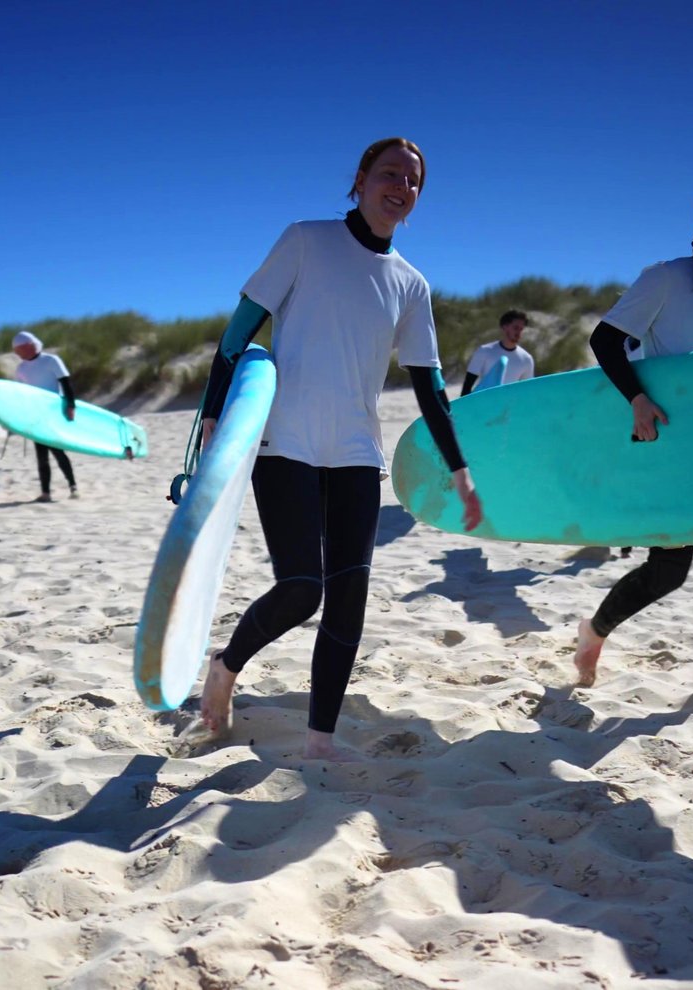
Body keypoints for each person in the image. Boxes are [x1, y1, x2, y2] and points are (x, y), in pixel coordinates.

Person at [194, 137, 484, 761]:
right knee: (303, 588)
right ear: (359, 180)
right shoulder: (305, 240)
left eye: (413, 182)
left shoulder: (411, 284)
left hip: (356, 452)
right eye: (389, 174)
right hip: (285, 443)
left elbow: (429, 385)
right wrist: (214, 415)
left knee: (348, 598)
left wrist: (459, 467)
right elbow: (237, 333)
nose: (400, 188)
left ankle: (319, 739)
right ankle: (226, 664)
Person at [573, 182, 693, 708]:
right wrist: (636, 398)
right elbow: (605, 340)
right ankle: (593, 631)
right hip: (676, 449)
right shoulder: (664, 278)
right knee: (669, 570)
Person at [12, 331, 78, 502]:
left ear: (31, 345)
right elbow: (21, 394)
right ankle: (45, 492)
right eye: (16, 350)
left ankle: (72, 485)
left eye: (19, 349)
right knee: (41, 454)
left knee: (57, 451)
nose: (17, 353)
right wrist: (22, 415)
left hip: (53, 412)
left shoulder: (51, 360)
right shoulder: (21, 368)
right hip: (36, 414)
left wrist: (71, 405)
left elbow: (65, 382)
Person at [461, 309, 535, 395]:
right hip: (486, 402)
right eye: (516, 328)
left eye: (521, 329)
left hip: (508, 406)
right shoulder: (484, 351)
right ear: (504, 327)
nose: (519, 332)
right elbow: (467, 385)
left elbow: (528, 391)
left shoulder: (526, 359)